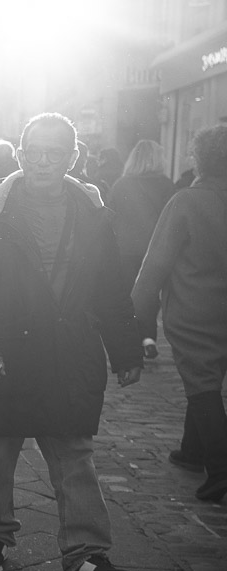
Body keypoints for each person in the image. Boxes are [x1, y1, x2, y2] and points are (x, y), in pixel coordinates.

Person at [0, 112, 143, 571]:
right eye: (34, 151)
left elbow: (111, 288)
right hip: (5, 351)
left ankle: (86, 556)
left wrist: (126, 351)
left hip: (68, 352)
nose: (42, 161)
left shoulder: (91, 211)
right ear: (20, 154)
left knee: (74, 452)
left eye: (54, 152)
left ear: (72, 158)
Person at [132, 124, 227, 503]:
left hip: (195, 310)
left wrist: (134, 315)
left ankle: (220, 467)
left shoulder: (187, 201)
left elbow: (155, 265)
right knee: (207, 377)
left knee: (202, 382)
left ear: (199, 159)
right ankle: (193, 450)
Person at [108, 140, 175, 359]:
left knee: (130, 293)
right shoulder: (166, 185)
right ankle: (148, 336)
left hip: (126, 249)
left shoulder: (121, 184)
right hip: (156, 249)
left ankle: (133, 338)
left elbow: (110, 217)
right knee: (151, 293)